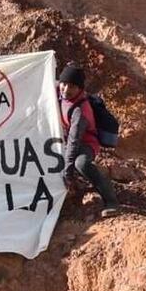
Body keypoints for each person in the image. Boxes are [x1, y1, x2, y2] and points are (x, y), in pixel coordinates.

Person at [57, 63, 121, 218]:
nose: (66, 90)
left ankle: (111, 201)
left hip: (86, 143)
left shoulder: (80, 111)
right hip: (64, 139)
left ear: (80, 89)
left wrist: (68, 172)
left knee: (81, 163)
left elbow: (74, 142)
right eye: (63, 84)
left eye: (71, 87)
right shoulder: (58, 92)